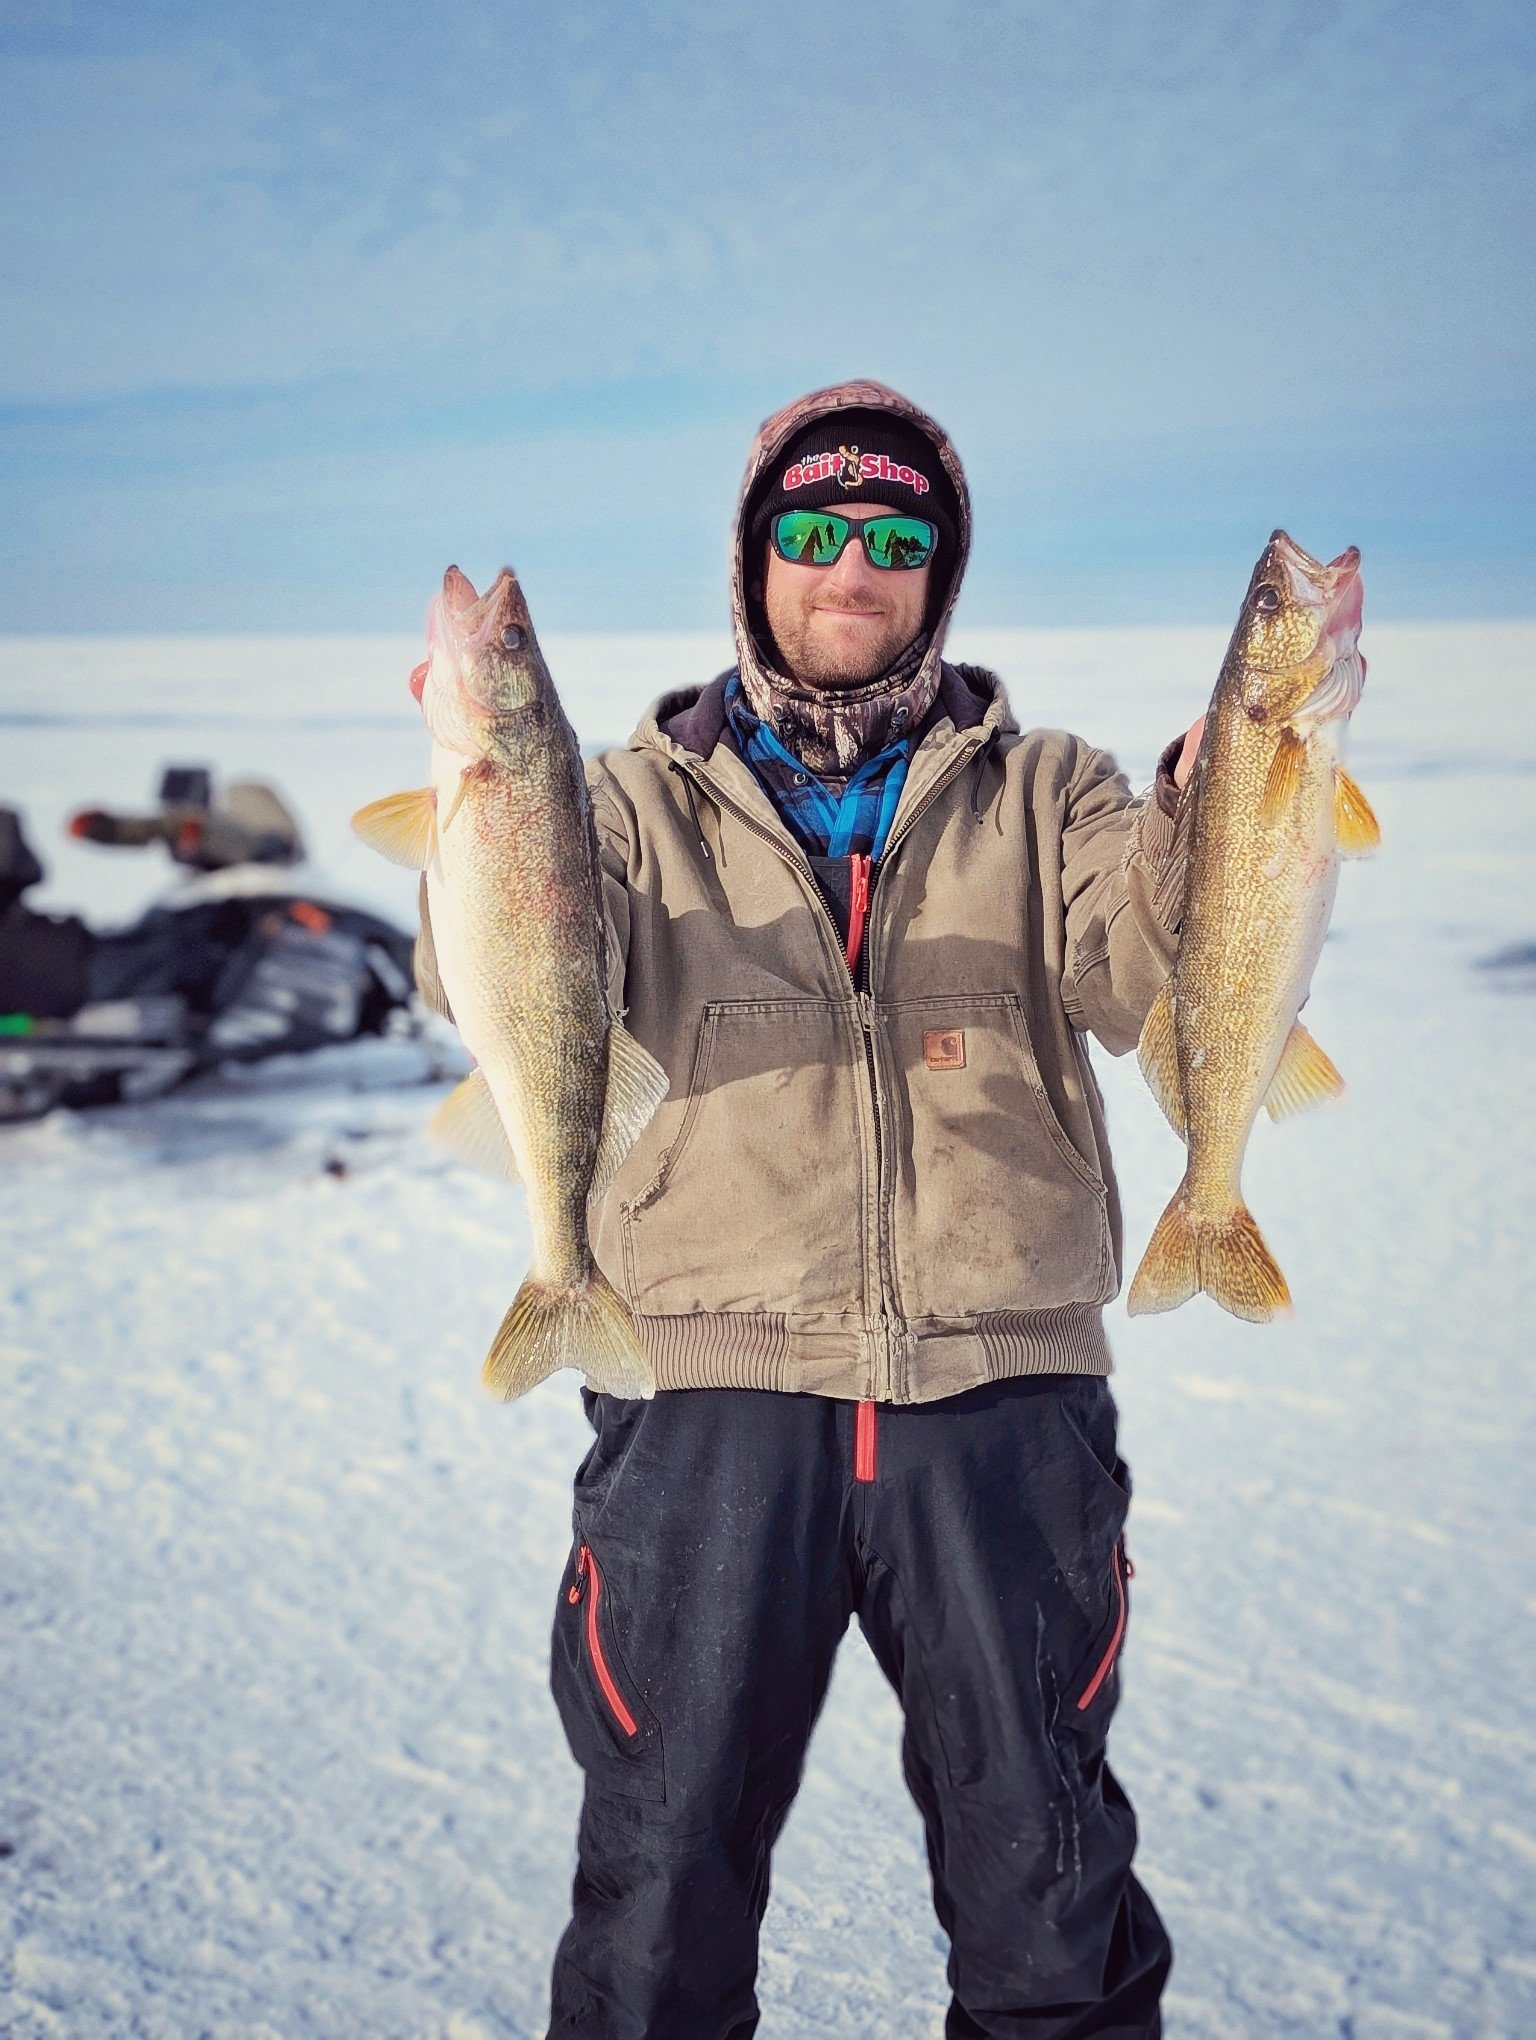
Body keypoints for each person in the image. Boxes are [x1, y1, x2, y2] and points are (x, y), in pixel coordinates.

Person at [433, 381, 1204, 2036]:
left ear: (941, 573)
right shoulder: (623, 801)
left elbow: (1151, 980)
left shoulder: (1051, 792)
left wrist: (1213, 824)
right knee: (656, 1920)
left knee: (1051, 1916)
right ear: (752, 557)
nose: (853, 565)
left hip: (999, 1402)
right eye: (814, 529)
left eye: (897, 537)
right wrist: (486, 818)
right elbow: (485, 979)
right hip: (705, 1397)